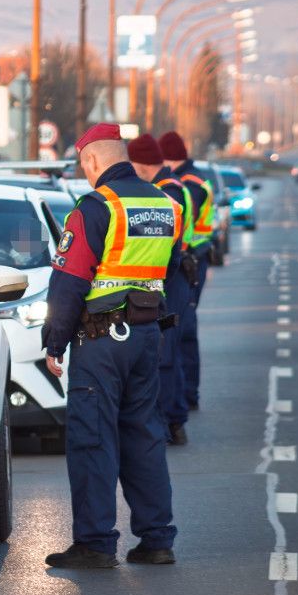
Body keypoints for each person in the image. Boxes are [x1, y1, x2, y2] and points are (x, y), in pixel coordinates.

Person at [42, 123, 180, 569]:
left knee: (93, 439)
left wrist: (54, 343)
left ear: (92, 161)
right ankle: (157, 540)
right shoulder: (164, 204)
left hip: (101, 343)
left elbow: (69, 283)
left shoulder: (94, 208)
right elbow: (170, 269)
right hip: (146, 336)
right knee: (143, 436)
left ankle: (95, 543)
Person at [129, 134, 193, 446]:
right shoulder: (171, 188)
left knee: (166, 355)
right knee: (170, 352)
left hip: (172, 277)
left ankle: (172, 421)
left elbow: (167, 247)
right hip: (173, 275)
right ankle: (173, 416)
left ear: (139, 165)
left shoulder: (167, 194)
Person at [159, 131, 214, 411]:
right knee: (184, 331)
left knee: (183, 331)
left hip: (189, 259)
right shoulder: (191, 179)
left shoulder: (184, 185)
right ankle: (187, 395)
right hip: (194, 256)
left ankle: (186, 396)